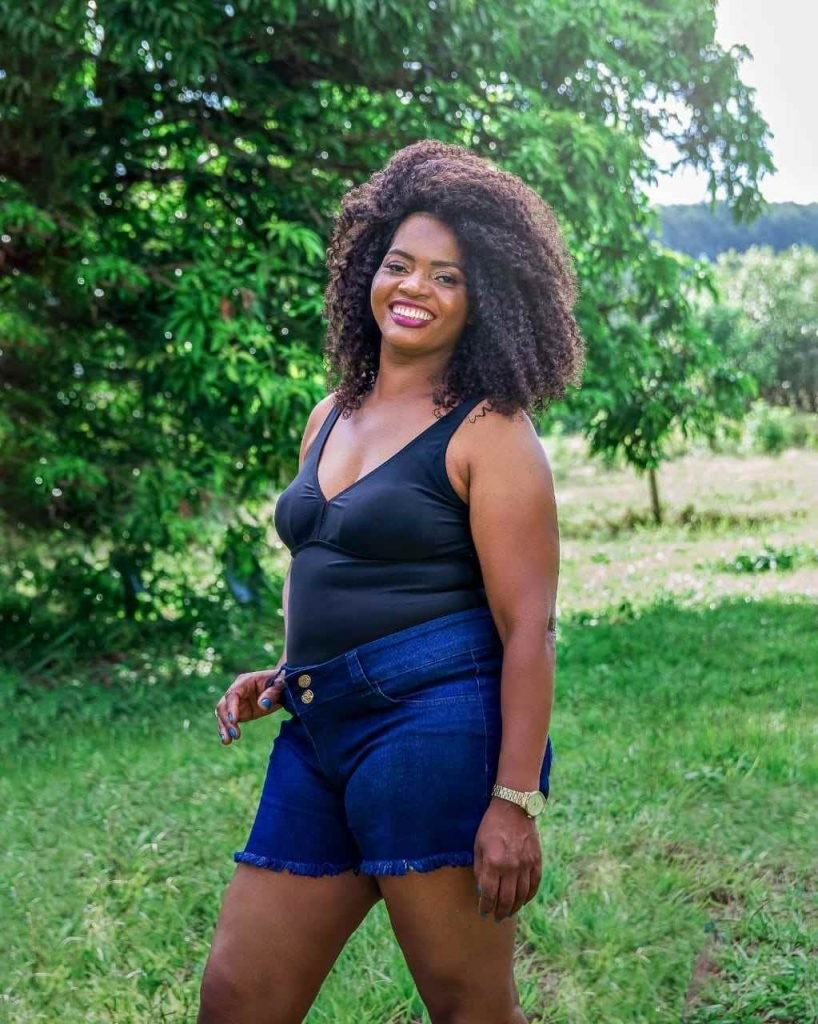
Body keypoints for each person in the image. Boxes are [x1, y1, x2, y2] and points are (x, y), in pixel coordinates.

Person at [199, 139, 585, 1024]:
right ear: (366, 272)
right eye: (399, 264)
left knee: (468, 1006)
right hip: (317, 728)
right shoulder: (329, 414)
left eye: (448, 277)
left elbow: (529, 626)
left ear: (485, 301)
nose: (414, 288)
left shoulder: (492, 431)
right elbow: (327, 562)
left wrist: (514, 802)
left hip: (433, 730)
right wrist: (289, 668)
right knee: (237, 996)